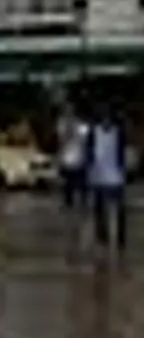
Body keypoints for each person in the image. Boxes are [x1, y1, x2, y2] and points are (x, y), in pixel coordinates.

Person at [85, 103, 128, 253]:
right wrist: (89, 169)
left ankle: (120, 238)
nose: (106, 120)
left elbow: (122, 152)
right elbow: (89, 152)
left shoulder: (118, 132)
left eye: (108, 117)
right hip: (98, 174)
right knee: (99, 207)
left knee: (119, 207)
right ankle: (102, 236)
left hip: (115, 174)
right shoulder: (94, 132)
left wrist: (123, 168)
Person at [57, 107, 88, 211]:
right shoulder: (62, 124)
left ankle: (83, 202)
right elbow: (61, 140)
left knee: (81, 181)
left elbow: (85, 139)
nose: (68, 114)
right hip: (67, 156)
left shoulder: (80, 125)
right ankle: (69, 202)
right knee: (68, 182)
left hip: (79, 156)